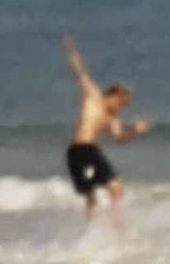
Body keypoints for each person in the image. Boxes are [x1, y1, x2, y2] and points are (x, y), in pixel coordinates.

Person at [61, 36, 150, 213]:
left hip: (89, 151)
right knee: (92, 195)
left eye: (124, 106)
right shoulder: (94, 97)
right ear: (113, 96)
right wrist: (72, 52)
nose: (121, 108)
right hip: (81, 150)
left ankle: (110, 227)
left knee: (113, 191)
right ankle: (102, 229)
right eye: (121, 103)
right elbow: (81, 74)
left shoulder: (112, 118)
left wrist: (135, 130)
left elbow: (119, 138)